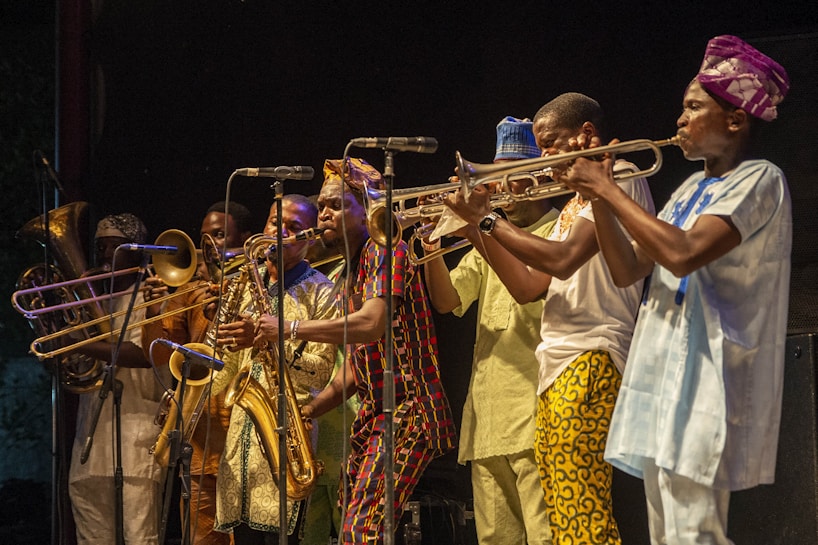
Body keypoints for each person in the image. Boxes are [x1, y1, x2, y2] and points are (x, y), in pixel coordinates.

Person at [560, 35, 791, 545]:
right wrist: (596, 197)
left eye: (693, 107)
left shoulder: (760, 179)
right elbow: (626, 270)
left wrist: (609, 188)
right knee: (666, 533)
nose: (680, 120)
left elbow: (684, 253)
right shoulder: (687, 189)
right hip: (663, 377)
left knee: (694, 532)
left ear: (735, 120)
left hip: (709, 379)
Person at [443, 93, 655, 545]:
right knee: (564, 514)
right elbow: (526, 286)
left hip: (592, 354)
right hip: (558, 364)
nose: (543, 157)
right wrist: (475, 227)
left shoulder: (619, 175)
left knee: (583, 509)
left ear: (586, 134)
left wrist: (487, 219)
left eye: (550, 144)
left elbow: (562, 260)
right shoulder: (577, 205)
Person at [256, 158, 457, 543]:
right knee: (354, 520)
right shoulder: (352, 269)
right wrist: (310, 410)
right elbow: (358, 365)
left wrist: (288, 328)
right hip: (377, 412)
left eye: (336, 205)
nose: (324, 214)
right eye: (322, 206)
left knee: (362, 529)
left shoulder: (385, 249)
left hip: (409, 408)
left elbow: (371, 323)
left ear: (367, 212)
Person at [422, 116, 557, 544]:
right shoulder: (489, 236)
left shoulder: (560, 229)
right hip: (486, 421)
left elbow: (527, 290)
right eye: (494, 176)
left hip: (536, 414)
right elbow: (448, 301)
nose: (500, 187)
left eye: (512, 175)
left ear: (540, 174)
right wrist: (432, 247)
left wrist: (477, 226)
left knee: (545, 537)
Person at [209, 193, 338, 544]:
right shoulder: (243, 285)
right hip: (240, 441)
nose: (279, 232)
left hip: (289, 439)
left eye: (293, 226)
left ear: (310, 237)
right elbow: (222, 373)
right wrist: (202, 367)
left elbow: (320, 372)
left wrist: (267, 341)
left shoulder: (323, 292)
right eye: (274, 222)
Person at [142, 200, 255, 545]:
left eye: (219, 235)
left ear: (245, 239)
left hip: (247, 442)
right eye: (204, 237)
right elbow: (159, 353)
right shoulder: (192, 291)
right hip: (201, 442)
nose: (208, 246)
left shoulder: (260, 286)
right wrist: (153, 308)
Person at [68, 212, 171, 545]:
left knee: (141, 537)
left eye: (115, 247)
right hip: (89, 445)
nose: (104, 255)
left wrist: (77, 343)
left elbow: (144, 355)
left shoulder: (153, 299)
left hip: (136, 442)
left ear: (137, 252)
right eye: (100, 247)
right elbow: (76, 369)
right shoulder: (92, 303)